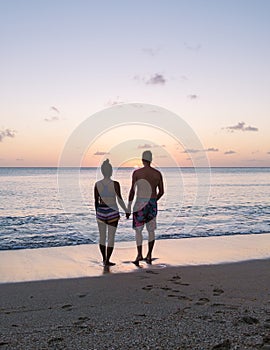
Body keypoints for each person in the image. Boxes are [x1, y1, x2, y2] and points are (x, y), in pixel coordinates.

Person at [127, 150, 164, 265]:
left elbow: (132, 191)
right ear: (151, 159)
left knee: (138, 230)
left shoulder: (137, 173)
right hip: (152, 202)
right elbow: (161, 192)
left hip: (140, 203)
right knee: (151, 231)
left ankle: (139, 254)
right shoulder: (157, 174)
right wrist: (153, 201)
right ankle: (149, 255)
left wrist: (128, 207)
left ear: (142, 160)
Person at [94, 159, 128, 266]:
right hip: (112, 211)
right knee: (111, 237)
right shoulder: (115, 184)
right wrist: (126, 210)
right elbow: (119, 199)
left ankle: (104, 259)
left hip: (101, 211)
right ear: (111, 172)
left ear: (102, 172)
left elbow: (96, 201)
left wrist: (97, 213)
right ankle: (107, 260)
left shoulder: (97, 184)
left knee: (102, 237)